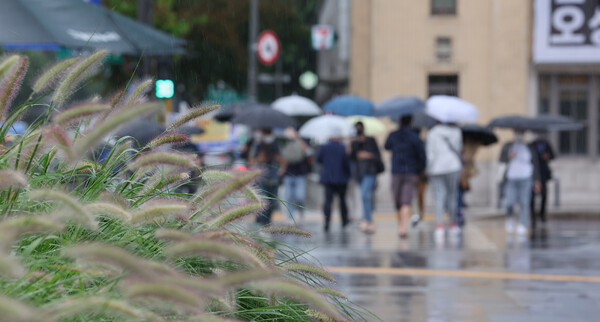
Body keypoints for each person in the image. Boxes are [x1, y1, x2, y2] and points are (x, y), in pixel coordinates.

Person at [385, 115, 426, 237]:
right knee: (406, 201)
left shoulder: (393, 135)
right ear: (411, 122)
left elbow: (386, 146)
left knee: (397, 200)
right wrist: (421, 170)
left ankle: (400, 225)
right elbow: (422, 156)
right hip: (411, 172)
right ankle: (403, 227)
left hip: (396, 171)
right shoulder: (415, 137)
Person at [499, 130, 541, 236]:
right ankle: (509, 218)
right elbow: (501, 159)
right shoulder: (508, 146)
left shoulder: (529, 147)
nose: (519, 135)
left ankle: (522, 224)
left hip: (526, 177)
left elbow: (535, 164)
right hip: (511, 178)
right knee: (509, 202)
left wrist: (537, 180)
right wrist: (509, 157)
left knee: (524, 202)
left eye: (521, 133)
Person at [426, 121, 462, 239]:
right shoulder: (456, 131)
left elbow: (430, 153)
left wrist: (429, 168)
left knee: (439, 196)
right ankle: (452, 223)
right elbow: (458, 149)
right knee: (452, 195)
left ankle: (440, 225)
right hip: (453, 166)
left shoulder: (432, 133)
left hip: (437, 168)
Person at [248, 128, 287, 226]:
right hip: (261, 179)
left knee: (272, 203)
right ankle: (262, 223)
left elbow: (283, 161)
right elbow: (250, 162)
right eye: (266, 133)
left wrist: (281, 169)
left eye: (269, 132)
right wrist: (259, 159)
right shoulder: (258, 146)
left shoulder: (275, 146)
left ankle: (267, 222)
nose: (268, 135)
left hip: (273, 179)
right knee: (263, 201)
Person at [350, 121, 383, 234]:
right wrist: (350, 143)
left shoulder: (371, 140)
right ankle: (368, 220)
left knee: (365, 195)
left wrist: (368, 155)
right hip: (359, 173)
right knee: (364, 197)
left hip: (370, 171)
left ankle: (367, 220)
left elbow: (378, 156)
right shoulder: (353, 143)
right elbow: (350, 157)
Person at [317, 127, 351, 232]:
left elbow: (318, 159)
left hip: (328, 178)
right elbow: (346, 163)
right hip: (341, 178)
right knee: (342, 200)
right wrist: (349, 174)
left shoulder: (324, 147)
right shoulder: (343, 148)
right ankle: (344, 221)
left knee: (328, 201)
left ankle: (327, 222)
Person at [280, 127, 312, 222]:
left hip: (300, 174)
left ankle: (301, 211)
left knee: (300, 196)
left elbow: (309, 154)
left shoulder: (301, 143)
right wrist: (282, 169)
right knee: (289, 197)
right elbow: (284, 158)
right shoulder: (286, 144)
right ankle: (290, 217)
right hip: (288, 174)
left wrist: (299, 140)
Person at [529, 135, 554, 229]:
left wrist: (547, 156)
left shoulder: (545, 144)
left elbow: (552, 155)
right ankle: (533, 216)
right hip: (532, 173)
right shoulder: (531, 146)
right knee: (531, 197)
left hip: (543, 174)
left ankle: (542, 215)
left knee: (544, 195)